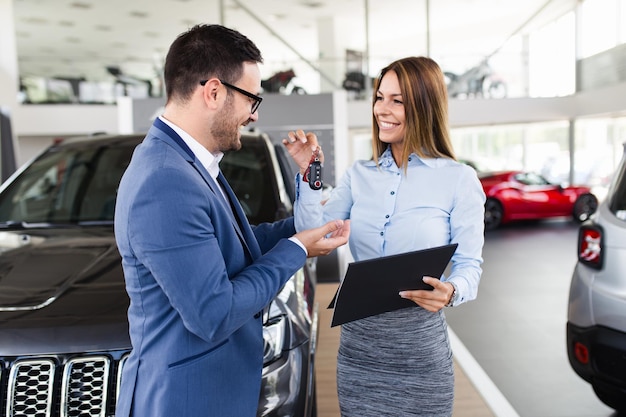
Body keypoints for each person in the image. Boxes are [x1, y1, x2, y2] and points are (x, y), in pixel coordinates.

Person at [113, 24, 350, 417]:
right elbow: (214, 313)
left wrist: (302, 222)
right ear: (214, 92)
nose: (253, 116)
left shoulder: (189, 163)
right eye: (252, 100)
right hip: (186, 401)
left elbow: (232, 245)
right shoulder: (165, 180)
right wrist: (297, 249)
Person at [284, 56, 485, 416]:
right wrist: (310, 171)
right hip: (360, 354)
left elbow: (470, 264)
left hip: (421, 357)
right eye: (379, 97)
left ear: (424, 106)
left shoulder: (458, 179)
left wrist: (452, 291)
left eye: (397, 100)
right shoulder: (359, 175)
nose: (382, 109)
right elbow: (312, 235)